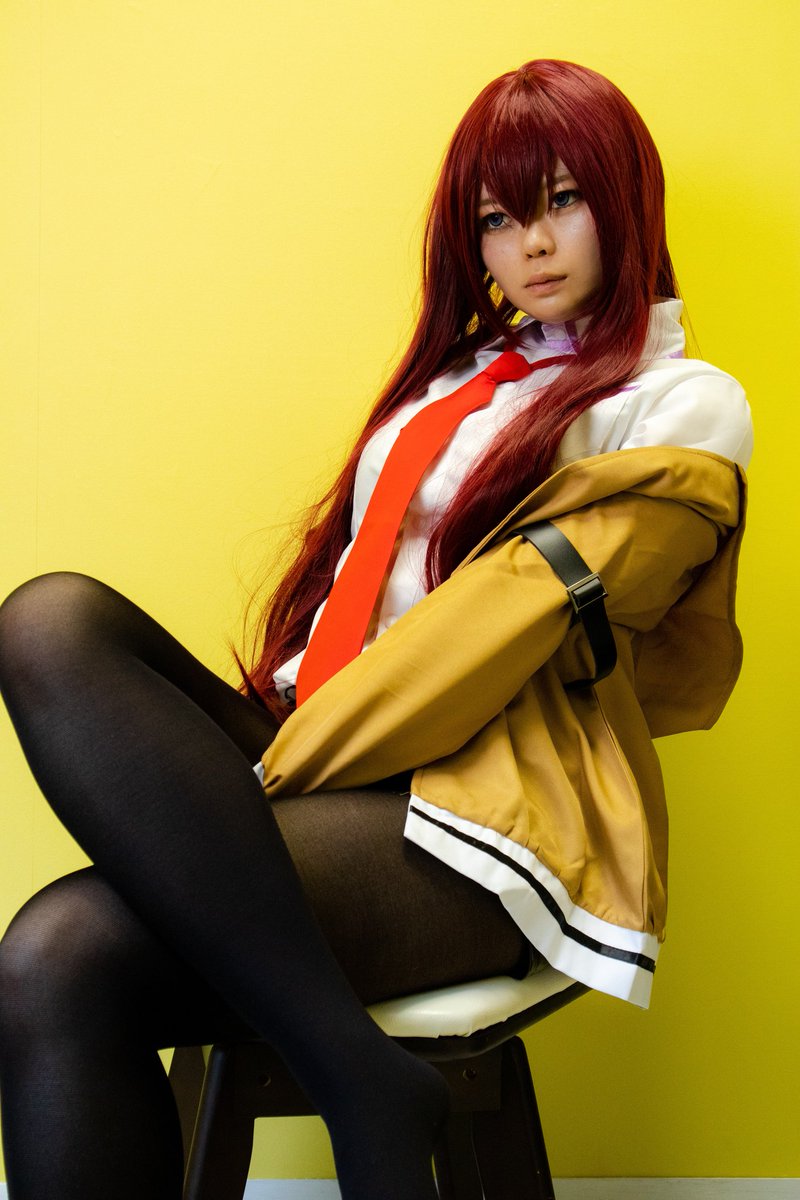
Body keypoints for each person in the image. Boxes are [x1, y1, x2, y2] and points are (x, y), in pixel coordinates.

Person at [0, 58, 751, 1200]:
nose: (529, 245)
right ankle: (353, 1069)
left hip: (473, 809)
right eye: (495, 219)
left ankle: (354, 1080)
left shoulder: (678, 404)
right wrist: (280, 742)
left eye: (561, 200)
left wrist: (285, 761)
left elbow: (509, 633)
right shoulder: (461, 376)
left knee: (57, 954)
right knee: (52, 620)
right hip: (328, 744)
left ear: (624, 197)